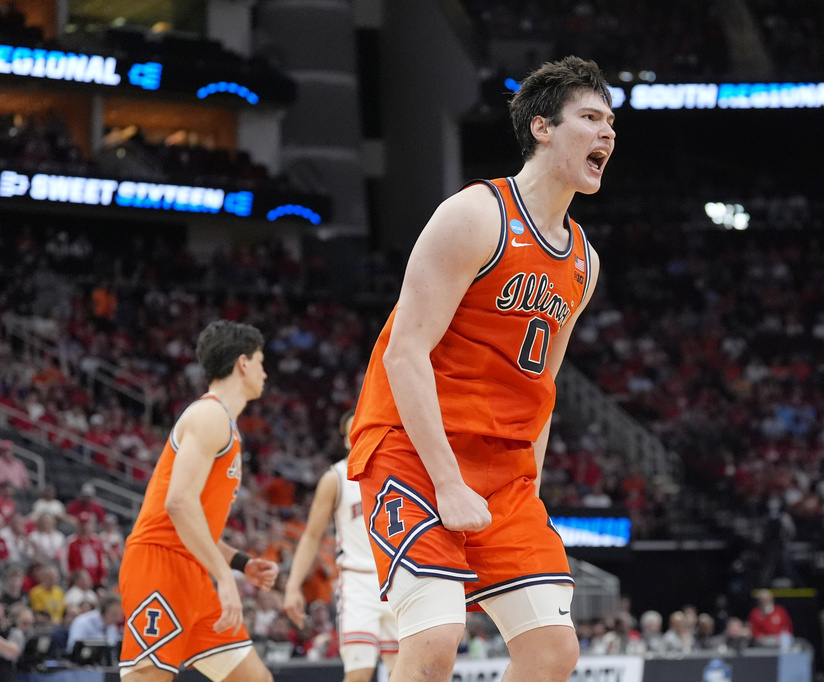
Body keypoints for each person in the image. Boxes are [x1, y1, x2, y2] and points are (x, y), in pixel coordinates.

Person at [348, 55, 613, 682]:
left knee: (553, 652)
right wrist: (446, 482)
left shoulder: (584, 260)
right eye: (590, 118)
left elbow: (541, 386)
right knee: (436, 642)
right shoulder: (475, 214)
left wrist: (531, 486)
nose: (606, 133)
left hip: (502, 468)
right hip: (414, 451)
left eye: (611, 124)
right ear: (543, 127)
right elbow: (404, 352)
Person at [118, 320, 278, 682]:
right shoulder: (209, 415)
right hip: (159, 562)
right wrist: (225, 577)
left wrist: (239, 563)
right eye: (261, 362)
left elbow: (195, 524)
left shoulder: (224, 423)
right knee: (147, 678)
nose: (265, 373)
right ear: (243, 363)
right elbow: (178, 504)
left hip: (193, 569)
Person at [283, 409, 398, 682]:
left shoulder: (398, 471)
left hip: (398, 581)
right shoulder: (335, 478)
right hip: (358, 584)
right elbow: (312, 536)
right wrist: (292, 585)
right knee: (359, 674)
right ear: (346, 439)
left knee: (408, 673)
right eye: (352, 433)